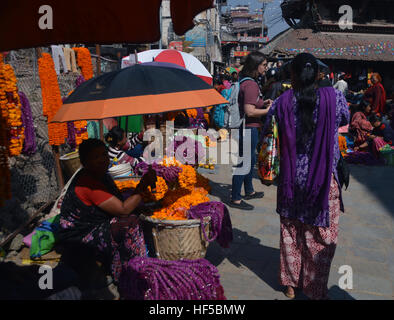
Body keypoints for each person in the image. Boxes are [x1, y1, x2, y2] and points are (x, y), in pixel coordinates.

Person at [263, 53, 350, 299]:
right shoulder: (335, 98)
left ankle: (290, 285)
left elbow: (269, 130)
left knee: (291, 229)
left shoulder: (281, 102)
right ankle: (315, 288)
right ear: (319, 74)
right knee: (321, 235)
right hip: (323, 178)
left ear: (292, 75)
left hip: (291, 178)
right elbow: (344, 119)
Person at [56, 138, 158, 285]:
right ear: (84, 162)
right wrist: (143, 184)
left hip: (95, 225)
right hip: (78, 238)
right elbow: (123, 210)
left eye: (104, 154)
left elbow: (118, 202)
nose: (102, 160)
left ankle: (125, 266)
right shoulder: (87, 183)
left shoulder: (102, 176)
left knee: (136, 213)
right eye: (95, 157)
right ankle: (131, 274)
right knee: (128, 222)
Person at [229, 51, 272, 210]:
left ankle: (249, 190)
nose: (266, 68)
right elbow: (250, 111)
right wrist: (269, 110)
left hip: (246, 128)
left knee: (249, 160)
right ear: (256, 66)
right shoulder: (251, 84)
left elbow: (252, 105)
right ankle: (235, 198)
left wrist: (263, 102)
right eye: (264, 65)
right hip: (248, 128)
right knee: (244, 162)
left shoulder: (246, 82)